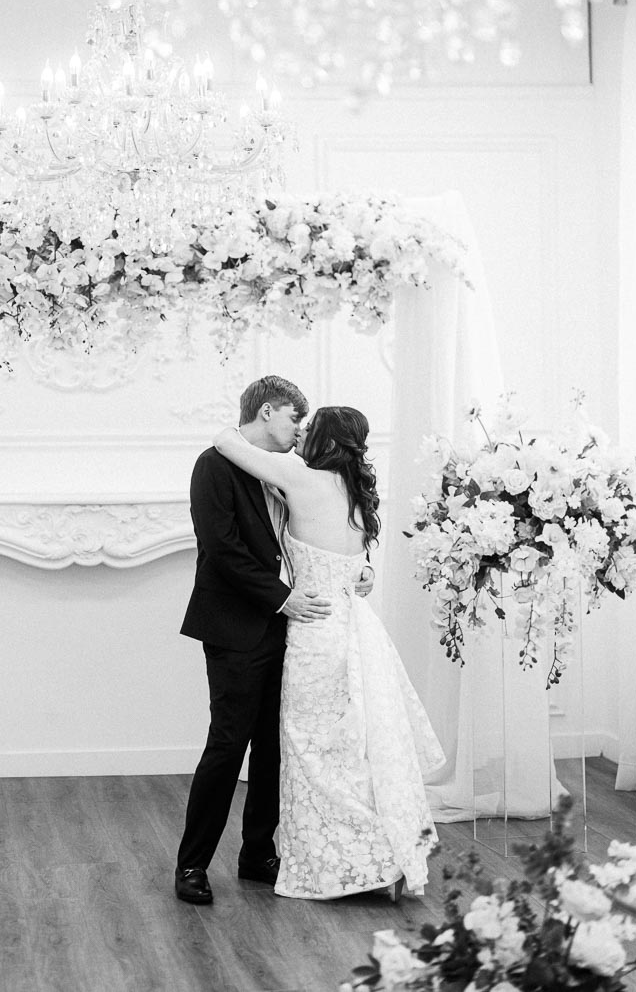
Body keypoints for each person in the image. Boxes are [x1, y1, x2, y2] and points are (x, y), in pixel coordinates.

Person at [212, 404, 445, 901]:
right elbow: (357, 568)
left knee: (311, 753)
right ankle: (382, 857)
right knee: (350, 751)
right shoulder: (358, 495)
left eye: (308, 428)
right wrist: (366, 575)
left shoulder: (299, 477)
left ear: (323, 439)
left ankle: (343, 862)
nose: (300, 435)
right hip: (358, 632)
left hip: (314, 636)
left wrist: (259, 420)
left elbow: (226, 442)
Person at [175, 375, 375, 906]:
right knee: (227, 744)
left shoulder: (292, 474)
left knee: (273, 749)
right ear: (267, 411)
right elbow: (221, 548)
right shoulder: (213, 466)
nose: (300, 430)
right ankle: (192, 863)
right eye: (294, 419)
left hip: (290, 630)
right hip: (236, 627)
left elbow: (314, 539)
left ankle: (257, 854)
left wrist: (354, 571)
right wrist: (282, 599)